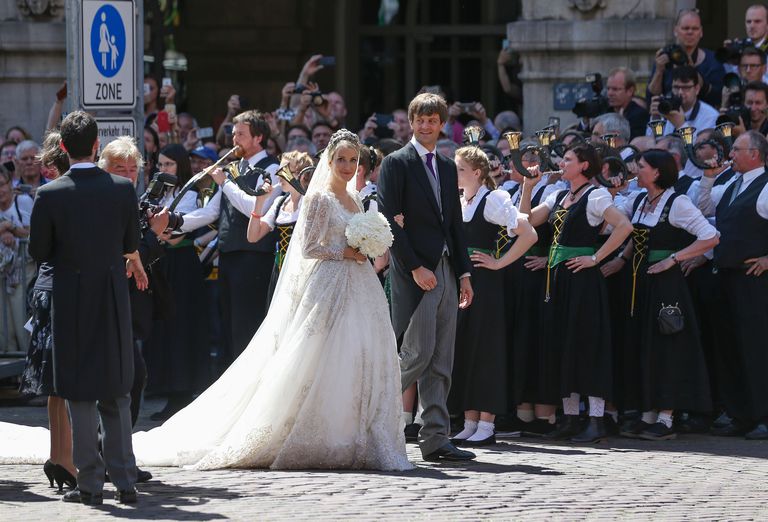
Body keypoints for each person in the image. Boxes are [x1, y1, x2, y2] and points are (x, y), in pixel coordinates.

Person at [126, 129, 412, 471]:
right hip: (330, 281)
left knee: (358, 353)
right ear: (329, 161)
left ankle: (356, 433)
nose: (348, 166)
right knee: (321, 356)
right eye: (341, 160)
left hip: (360, 285)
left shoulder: (357, 199)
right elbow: (309, 248)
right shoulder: (319, 199)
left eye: (353, 161)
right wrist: (347, 252)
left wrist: (370, 247)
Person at [28, 111, 147, 505]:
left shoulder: (49, 194)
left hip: (71, 298)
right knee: (117, 391)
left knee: (79, 394)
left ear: (62, 146)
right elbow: (130, 242)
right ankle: (125, 481)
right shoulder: (121, 190)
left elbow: (39, 252)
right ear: (97, 146)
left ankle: (91, 484)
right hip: (111, 296)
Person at [377, 92, 476, 462]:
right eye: (420, 120)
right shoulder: (396, 164)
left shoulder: (449, 167)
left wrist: (465, 274)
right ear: (412, 122)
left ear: (442, 124)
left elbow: (454, 225)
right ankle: (372, 418)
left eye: (432, 120)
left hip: (448, 269)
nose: (425, 126)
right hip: (416, 271)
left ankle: (435, 438)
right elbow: (389, 220)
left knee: (441, 359)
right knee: (416, 354)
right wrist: (414, 267)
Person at [520, 144, 633, 443]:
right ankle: (570, 418)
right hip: (559, 279)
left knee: (587, 344)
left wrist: (596, 258)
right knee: (563, 344)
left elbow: (624, 226)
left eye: (568, 159)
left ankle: (595, 420)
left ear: (584, 166)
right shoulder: (557, 194)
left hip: (583, 281)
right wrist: (528, 187)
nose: (561, 162)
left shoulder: (595, 195)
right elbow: (526, 221)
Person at [617, 149, 717, 440]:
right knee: (644, 345)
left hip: (666, 286)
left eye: (643, 166)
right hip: (640, 283)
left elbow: (711, 236)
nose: (637, 169)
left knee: (667, 346)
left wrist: (675, 259)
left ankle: (666, 416)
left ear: (657, 172)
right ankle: (648, 413)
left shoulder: (678, 202)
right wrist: (620, 260)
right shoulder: (639, 200)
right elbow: (621, 229)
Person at [175, 110, 281, 365]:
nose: (234, 139)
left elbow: (255, 208)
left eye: (241, 134)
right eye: (233, 133)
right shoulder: (233, 169)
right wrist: (175, 223)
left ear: (258, 137)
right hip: (230, 256)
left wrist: (225, 182)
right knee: (229, 328)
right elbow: (211, 211)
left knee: (248, 326)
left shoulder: (273, 168)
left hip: (255, 258)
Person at [448, 146, 537, 446]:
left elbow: (529, 234)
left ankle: (487, 423)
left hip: (486, 282)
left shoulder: (493, 199)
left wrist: (499, 262)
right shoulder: (462, 201)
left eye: (460, 169)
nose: (455, 173)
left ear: (476, 172)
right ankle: (470, 420)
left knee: (486, 350)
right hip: (463, 280)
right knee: (467, 348)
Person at [696, 130, 768, 440]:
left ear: (755, 154)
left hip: (754, 280)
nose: (731, 154)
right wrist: (710, 173)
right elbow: (703, 207)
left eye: (737, 149)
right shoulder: (729, 185)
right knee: (729, 348)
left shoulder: (766, 187)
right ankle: (739, 413)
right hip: (724, 276)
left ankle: (762, 415)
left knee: (756, 349)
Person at [17, 131, 77, 492]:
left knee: (55, 384)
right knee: (64, 383)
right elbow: (39, 248)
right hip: (62, 289)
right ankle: (66, 459)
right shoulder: (61, 192)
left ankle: (60, 458)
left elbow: (37, 249)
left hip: (46, 286)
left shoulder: (49, 192)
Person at [247, 150, 311, 305]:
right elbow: (253, 237)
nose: (278, 177)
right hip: (281, 269)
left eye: (284, 172)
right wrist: (259, 201)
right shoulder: (279, 203)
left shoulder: (310, 202)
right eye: (278, 172)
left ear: (301, 175)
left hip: (303, 271)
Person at [647, 8, 725, 108]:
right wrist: (659, 71)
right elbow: (651, 98)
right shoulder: (665, 56)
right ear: (676, 31)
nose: (690, 32)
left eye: (695, 29)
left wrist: (693, 72)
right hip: (668, 119)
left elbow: (718, 98)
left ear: (701, 32)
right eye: (685, 28)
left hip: (702, 120)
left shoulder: (713, 60)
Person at [606, 67, 650, 140]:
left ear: (630, 91)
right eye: (608, 89)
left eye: (615, 89)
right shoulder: (606, 112)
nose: (610, 93)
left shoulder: (639, 116)